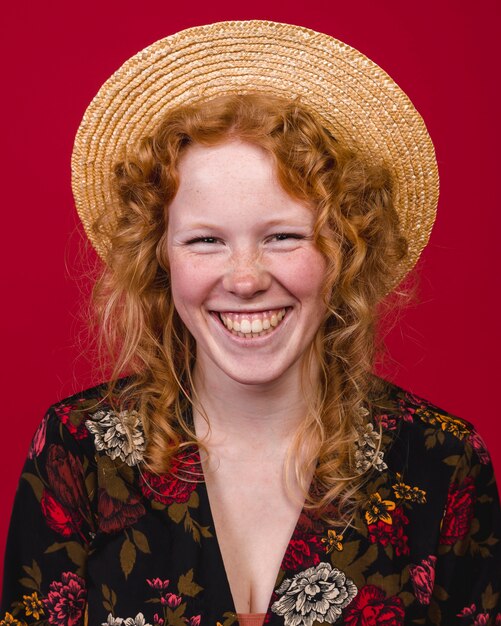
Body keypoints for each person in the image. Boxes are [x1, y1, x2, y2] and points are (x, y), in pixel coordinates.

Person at [1, 20, 500, 626]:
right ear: (160, 256)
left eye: (284, 236)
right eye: (206, 239)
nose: (244, 279)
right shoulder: (75, 454)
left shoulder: (443, 461)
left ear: (347, 249)